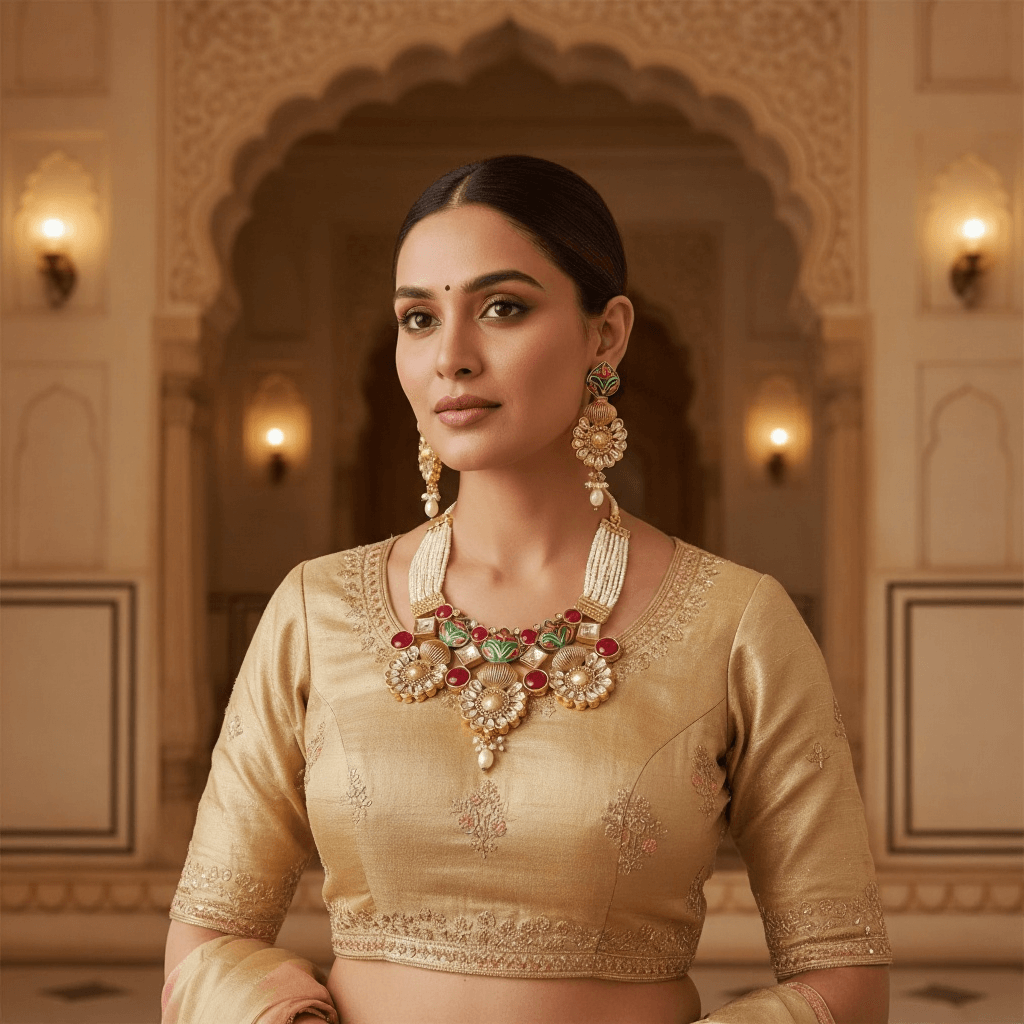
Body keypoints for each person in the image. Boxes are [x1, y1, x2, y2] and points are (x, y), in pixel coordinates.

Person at [162, 155, 892, 1024]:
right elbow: (206, 942)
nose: (452, 358)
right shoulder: (315, 611)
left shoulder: (736, 623)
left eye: (502, 308)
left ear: (606, 336)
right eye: (419, 318)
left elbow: (844, 976)